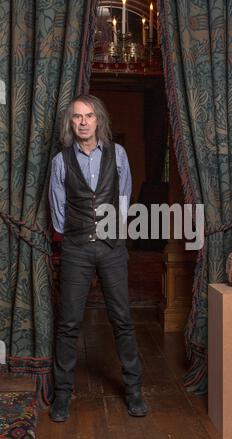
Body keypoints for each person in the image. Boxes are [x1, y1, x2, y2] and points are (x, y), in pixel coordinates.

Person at [48, 94, 148, 421]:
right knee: (69, 323)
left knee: (121, 318)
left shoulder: (118, 155)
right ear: (71, 122)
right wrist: (79, 235)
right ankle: (62, 395)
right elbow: (58, 212)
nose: (83, 122)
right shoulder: (60, 161)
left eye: (89, 116)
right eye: (77, 116)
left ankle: (134, 391)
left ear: (98, 120)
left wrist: (111, 236)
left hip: (111, 248)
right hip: (76, 248)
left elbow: (123, 200)